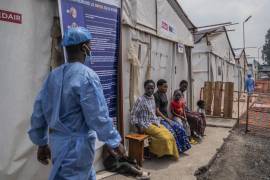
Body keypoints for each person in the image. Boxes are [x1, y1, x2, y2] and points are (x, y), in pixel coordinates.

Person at [28, 27, 124, 180]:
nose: (91, 47)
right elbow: (97, 116)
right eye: (90, 44)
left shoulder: (53, 76)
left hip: (58, 144)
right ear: (84, 47)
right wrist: (114, 140)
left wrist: (41, 142)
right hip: (77, 149)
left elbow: (39, 111)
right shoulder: (87, 76)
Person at [129, 80, 179, 159]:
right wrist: (138, 127)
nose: (150, 90)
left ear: (154, 88)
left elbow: (153, 113)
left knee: (170, 134)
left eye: (152, 88)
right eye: (148, 88)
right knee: (164, 138)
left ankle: (166, 153)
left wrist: (157, 122)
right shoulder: (140, 100)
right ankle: (158, 152)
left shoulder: (152, 98)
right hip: (145, 124)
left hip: (155, 122)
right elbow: (133, 114)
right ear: (144, 88)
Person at [154, 79, 191, 153]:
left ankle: (183, 147)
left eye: (167, 87)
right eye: (164, 87)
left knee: (180, 128)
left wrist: (168, 118)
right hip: (160, 119)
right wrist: (167, 119)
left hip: (166, 118)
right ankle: (176, 150)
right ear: (158, 86)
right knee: (173, 131)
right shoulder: (156, 95)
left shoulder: (164, 94)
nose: (166, 89)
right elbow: (157, 111)